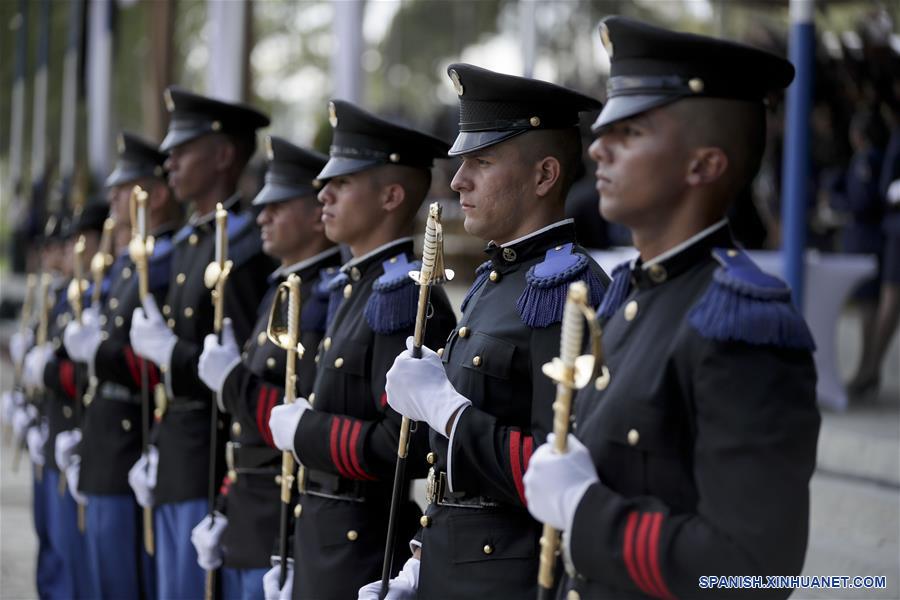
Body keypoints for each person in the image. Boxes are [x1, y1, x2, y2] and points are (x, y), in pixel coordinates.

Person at [522, 16, 821, 600]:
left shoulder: (742, 326)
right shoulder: (628, 293)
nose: (598, 147)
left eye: (630, 133)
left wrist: (588, 513)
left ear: (703, 166)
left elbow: (755, 571)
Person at [367, 64, 607, 599]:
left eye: (482, 161)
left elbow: (562, 466)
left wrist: (448, 412)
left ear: (544, 176)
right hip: (454, 567)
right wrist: (420, 561)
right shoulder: (492, 280)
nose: (457, 181)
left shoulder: (568, 289)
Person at [265, 99, 457, 599]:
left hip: (360, 544)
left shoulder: (404, 298)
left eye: (343, 183)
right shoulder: (356, 287)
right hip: (323, 533)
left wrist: (308, 431)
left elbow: (407, 447)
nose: (322, 194)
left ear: (392, 195)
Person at [128, 87, 275, 599]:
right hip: (178, 450)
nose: (168, 161)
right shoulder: (194, 241)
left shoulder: (250, 244)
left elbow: (245, 368)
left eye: (183, 149)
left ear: (222, 155)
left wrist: (173, 354)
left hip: (213, 462)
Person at [193, 136, 341, 599]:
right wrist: (223, 505)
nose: (262, 217)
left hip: (281, 526)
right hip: (247, 515)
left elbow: (306, 418)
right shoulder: (280, 287)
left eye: (278, 206)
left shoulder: (325, 297)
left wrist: (233, 382)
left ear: (317, 214)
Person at [62, 131, 180, 599]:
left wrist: (99, 353)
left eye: (124, 188)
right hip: (106, 435)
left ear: (158, 191)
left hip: (133, 435)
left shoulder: (166, 259)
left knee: (125, 582)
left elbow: (159, 365)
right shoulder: (132, 263)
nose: (112, 198)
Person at [25, 202, 107, 600]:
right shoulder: (67, 295)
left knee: (79, 568)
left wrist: (49, 374)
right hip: (58, 431)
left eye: (79, 240)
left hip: (87, 436)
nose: (66, 253)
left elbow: (93, 374)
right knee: (54, 548)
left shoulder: (99, 293)